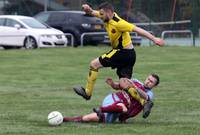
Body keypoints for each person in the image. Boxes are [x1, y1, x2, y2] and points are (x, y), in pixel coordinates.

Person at [73, 2, 164, 101]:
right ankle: (144, 102)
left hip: (122, 52)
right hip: (130, 55)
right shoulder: (105, 16)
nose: (100, 16)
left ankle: (87, 93)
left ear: (109, 12)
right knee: (124, 84)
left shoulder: (119, 23)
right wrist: (88, 9)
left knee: (94, 64)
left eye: (102, 14)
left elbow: (137, 29)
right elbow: (92, 12)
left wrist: (154, 39)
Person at [64, 74, 160, 123]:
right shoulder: (135, 81)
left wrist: (134, 87)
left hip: (117, 111)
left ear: (155, 86)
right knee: (124, 107)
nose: (148, 82)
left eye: (151, 82)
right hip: (114, 99)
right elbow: (119, 86)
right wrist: (113, 84)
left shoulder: (150, 94)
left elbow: (145, 97)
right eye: (148, 79)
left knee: (90, 118)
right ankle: (100, 109)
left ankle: (64, 119)